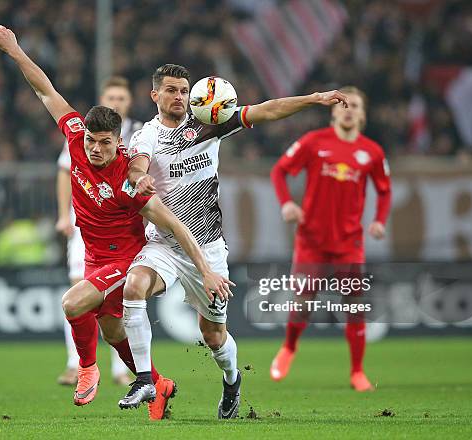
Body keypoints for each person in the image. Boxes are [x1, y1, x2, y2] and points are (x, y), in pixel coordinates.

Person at [0, 24, 233, 420]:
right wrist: (15, 50)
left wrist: (203, 267)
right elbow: (45, 90)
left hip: (126, 258)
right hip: (93, 255)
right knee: (112, 331)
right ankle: (157, 384)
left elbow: (173, 221)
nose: (96, 149)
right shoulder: (74, 137)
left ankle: (86, 370)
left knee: (72, 303)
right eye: (91, 141)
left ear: (119, 142)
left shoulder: (127, 179)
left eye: (105, 143)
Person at [120, 63, 350, 418]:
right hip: (165, 245)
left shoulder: (208, 123)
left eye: (184, 90)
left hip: (208, 247)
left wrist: (314, 99)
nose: (179, 97)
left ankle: (231, 381)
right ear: (155, 95)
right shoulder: (146, 135)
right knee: (133, 287)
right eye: (170, 90)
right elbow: (137, 165)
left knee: (213, 336)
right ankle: (145, 379)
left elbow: (268, 108)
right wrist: (141, 179)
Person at [269, 86, 391, 391]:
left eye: (355, 105)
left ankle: (357, 372)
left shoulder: (373, 152)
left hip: (349, 242)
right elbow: (279, 171)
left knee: (355, 305)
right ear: (333, 110)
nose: (348, 109)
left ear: (363, 115)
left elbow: (384, 189)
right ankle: (289, 348)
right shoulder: (314, 142)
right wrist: (286, 203)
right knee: (303, 301)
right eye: (342, 104)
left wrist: (379, 220)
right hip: (312, 239)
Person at [55, 77, 143, 387]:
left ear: (129, 102)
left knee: (109, 311)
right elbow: (65, 172)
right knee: (79, 293)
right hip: (84, 229)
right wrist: (62, 215)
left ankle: (126, 371)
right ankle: (78, 364)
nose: (116, 101)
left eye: (122, 97)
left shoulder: (141, 137)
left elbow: (150, 194)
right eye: (111, 96)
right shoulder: (84, 135)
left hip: (121, 237)